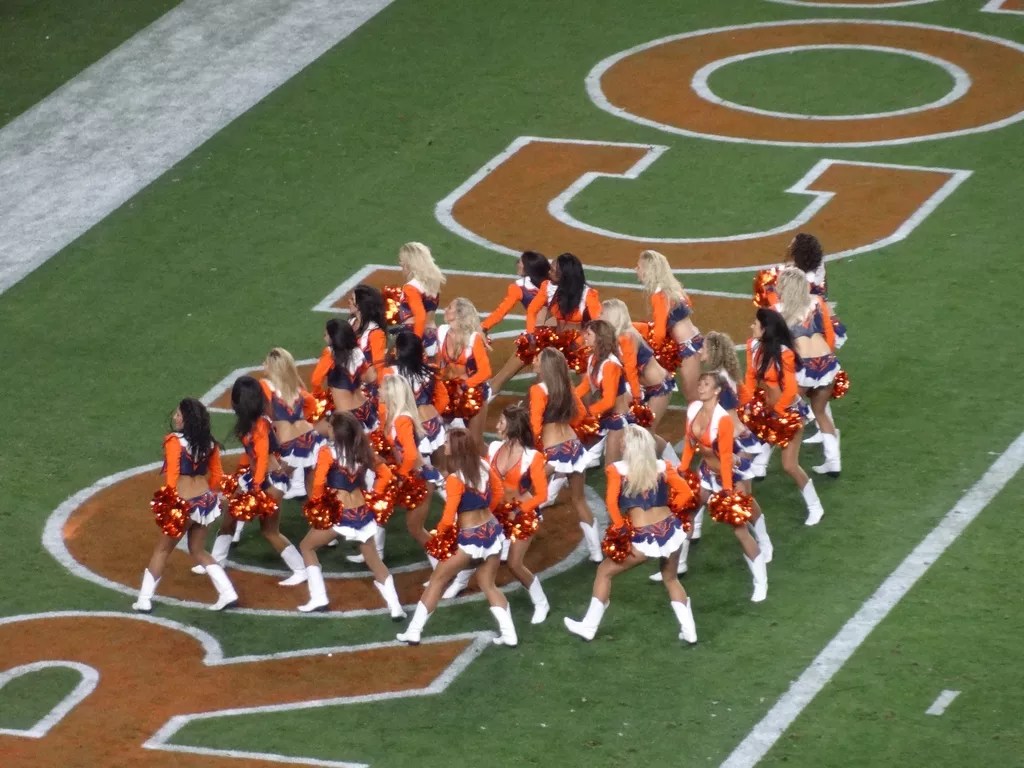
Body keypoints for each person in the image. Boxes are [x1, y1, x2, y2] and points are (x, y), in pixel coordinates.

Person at [564, 425, 697, 644]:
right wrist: (671, 509)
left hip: (644, 538)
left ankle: (588, 627)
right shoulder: (662, 466)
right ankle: (690, 631)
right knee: (671, 579)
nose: (621, 443)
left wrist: (621, 528)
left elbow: (611, 504)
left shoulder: (617, 470)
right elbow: (686, 493)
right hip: (672, 531)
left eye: (624, 441)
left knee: (604, 572)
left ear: (630, 447)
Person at [397, 428, 518, 647]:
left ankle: (413, 632)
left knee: (437, 580)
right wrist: (483, 510)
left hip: (470, 539)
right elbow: (498, 493)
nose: (444, 445)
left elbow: (448, 516)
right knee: (488, 584)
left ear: (455, 448)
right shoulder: (483, 465)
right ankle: (510, 635)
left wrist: (440, 536)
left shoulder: (455, 479)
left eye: (447, 442)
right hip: (493, 534)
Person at [294, 412, 405, 618]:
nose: (328, 429)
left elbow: (318, 483)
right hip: (363, 513)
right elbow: (386, 474)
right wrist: (374, 494)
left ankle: (319, 597)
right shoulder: (362, 449)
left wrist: (319, 504)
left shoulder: (327, 452)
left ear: (337, 432)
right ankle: (396, 607)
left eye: (330, 427)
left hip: (340, 513)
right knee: (374, 561)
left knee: (307, 546)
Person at [132, 398, 238, 612]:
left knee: (162, 550)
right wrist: (215, 495)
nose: (175, 417)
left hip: (184, 503)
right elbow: (217, 476)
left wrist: (170, 502)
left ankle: (144, 599)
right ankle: (228, 592)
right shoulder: (210, 443)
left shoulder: (174, 441)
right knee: (198, 549)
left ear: (187, 419)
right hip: (206, 502)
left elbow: (172, 476)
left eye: (179, 414)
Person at [202, 376, 307, 585]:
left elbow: (262, 460)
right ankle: (216, 562)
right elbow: (252, 459)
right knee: (230, 518)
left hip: (270, 481)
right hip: (256, 478)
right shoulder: (249, 423)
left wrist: (256, 489)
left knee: (269, 530)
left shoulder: (260, 426)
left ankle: (301, 569)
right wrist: (245, 481)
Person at [679, 372, 772, 602]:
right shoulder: (693, 409)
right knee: (686, 514)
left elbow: (727, 458)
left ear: (717, 391)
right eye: (700, 383)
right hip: (707, 473)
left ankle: (761, 582)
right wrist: (683, 469)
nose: (701, 387)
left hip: (729, 476)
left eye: (706, 384)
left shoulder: (723, 420)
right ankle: (676, 566)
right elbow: (690, 442)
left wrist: (728, 492)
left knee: (739, 529)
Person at [738, 309, 825, 525]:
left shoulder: (784, 353)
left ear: (765, 329)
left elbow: (790, 389)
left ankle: (815, 506)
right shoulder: (753, 346)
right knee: (743, 455)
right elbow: (750, 377)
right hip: (767, 410)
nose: (752, 326)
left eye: (755, 323)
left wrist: (776, 413)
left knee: (789, 465)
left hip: (788, 413)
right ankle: (744, 505)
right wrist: (748, 404)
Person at [528, 348, 601, 562]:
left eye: (538, 359)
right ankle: (596, 552)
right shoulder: (566, 386)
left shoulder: (538, 390)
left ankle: (509, 545)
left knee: (525, 493)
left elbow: (535, 427)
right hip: (574, 447)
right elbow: (581, 415)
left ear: (545, 367)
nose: (534, 361)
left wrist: (533, 449)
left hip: (553, 452)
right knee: (579, 500)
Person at [487, 404, 550, 623]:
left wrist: (517, 510)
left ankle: (541, 603)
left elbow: (542, 495)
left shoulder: (532, 457)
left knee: (514, 564)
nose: (497, 426)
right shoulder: (494, 448)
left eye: (501, 423)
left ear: (513, 427)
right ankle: (457, 581)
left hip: (523, 515)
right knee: (478, 553)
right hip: (497, 513)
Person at [776, 267, 842, 477]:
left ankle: (758, 462)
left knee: (785, 410)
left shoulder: (778, 310)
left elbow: (776, 345)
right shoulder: (817, 302)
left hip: (803, 365)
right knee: (820, 412)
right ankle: (834, 463)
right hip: (827, 361)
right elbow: (829, 335)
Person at [599, 298, 677, 460]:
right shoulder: (618, 336)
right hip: (646, 388)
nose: (598, 316)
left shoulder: (628, 337)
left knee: (646, 433)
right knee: (642, 432)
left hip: (659, 387)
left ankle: (671, 464)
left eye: (602, 313)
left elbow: (630, 370)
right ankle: (670, 460)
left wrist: (634, 398)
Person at [378, 374, 437, 550]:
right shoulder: (392, 415)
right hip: (410, 475)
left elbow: (410, 455)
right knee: (376, 509)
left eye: (382, 388)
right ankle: (373, 549)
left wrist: (401, 476)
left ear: (391, 393)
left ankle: (443, 561)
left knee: (416, 529)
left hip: (418, 478)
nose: (379, 391)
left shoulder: (402, 420)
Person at [636, 249, 703, 402]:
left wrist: (651, 352)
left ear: (648, 271)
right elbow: (687, 307)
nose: (636, 270)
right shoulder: (672, 288)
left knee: (693, 396)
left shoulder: (659, 296)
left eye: (639, 267)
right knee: (694, 392)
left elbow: (659, 334)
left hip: (688, 347)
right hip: (693, 340)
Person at [482, 250, 551, 393]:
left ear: (528, 268)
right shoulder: (553, 284)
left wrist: (484, 327)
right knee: (545, 378)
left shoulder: (522, 288)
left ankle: (485, 396)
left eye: (520, 262)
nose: (517, 264)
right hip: (556, 336)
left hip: (540, 337)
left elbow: (501, 311)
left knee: (499, 380)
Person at [260, 347, 324, 498]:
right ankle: (312, 505)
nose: (263, 364)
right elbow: (311, 403)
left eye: (266, 363)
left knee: (273, 483)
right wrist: (297, 417)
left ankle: (293, 486)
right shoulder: (295, 385)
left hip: (288, 445)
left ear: (272, 366)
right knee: (311, 482)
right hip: (310, 436)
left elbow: (259, 411)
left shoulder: (264, 385)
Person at [524, 252, 601, 369]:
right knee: (524, 347)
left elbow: (599, 323)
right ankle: (497, 380)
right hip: (556, 339)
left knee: (585, 363)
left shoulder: (588, 294)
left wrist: (581, 340)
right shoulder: (547, 287)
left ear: (564, 276)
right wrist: (531, 335)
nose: (548, 272)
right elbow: (532, 310)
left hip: (578, 343)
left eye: (553, 270)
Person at [438, 297, 492, 448]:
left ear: (459, 314)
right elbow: (438, 363)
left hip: (473, 393)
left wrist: (465, 385)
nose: (445, 309)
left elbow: (486, 372)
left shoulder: (474, 338)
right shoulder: (441, 332)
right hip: (450, 392)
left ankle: (491, 460)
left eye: (450, 308)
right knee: (446, 440)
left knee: (475, 444)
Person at [576, 319, 629, 465]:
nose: (584, 337)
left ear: (599, 338)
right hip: (604, 416)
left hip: (618, 419)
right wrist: (569, 398)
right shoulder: (593, 359)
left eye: (589, 334)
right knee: (580, 458)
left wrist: (588, 414)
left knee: (611, 467)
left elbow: (608, 401)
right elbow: (586, 385)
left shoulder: (610, 365)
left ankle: (671, 463)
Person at [310, 319, 377, 431]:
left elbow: (315, 380)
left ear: (333, 338)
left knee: (313, 433)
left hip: (346, 419)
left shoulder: (329, 354)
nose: (324, 337)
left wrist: (321, 395)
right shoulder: (357, 351)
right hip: (366, 409)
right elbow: (369, 376)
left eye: (326, 335)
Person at [397, 242, 445, 356]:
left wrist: (416, 343)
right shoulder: (432, 283)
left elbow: (420, 316)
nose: (401, 267)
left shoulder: (411, 287)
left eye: (402, 264)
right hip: (431, 337)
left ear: (410, 265)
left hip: (413, 334)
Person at [348, 283, 389, 378]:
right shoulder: (350, 323)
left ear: (360, 305)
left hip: (366, 383)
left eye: (352, 299)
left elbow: (378, 366)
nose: (349, 301)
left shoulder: (375, 333)